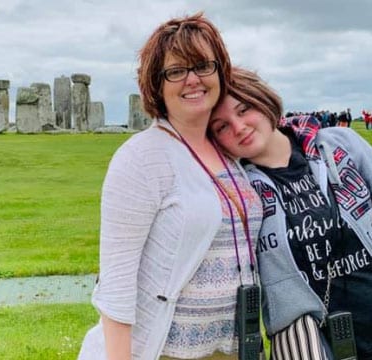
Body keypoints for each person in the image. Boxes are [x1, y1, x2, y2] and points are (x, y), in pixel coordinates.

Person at [208, 67, 372, 360]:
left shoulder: (340, 146)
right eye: (221, 126)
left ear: (263, 100)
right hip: (312, 346)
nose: (238, 127)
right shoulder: (237, 190)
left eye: (243, 109)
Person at [78, 13, 264, 360]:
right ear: (156, 84)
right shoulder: (142, 158)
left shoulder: (230, 151)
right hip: (163, 350)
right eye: (176, 71)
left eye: (202, 66)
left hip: (233, 348)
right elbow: (116, 285)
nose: (192, 80)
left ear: (220, 72)